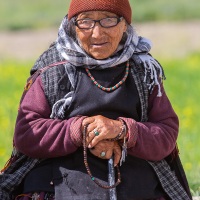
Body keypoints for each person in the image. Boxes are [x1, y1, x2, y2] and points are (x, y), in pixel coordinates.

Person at [0, 0, 192, 199]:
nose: (97, 33)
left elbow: (166, 134)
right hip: (60, 179)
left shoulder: (143, 70)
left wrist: (122, 131)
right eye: (86, 22)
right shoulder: (52, 70)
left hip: (134, 176)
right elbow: (27, 134)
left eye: (108, 20)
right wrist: (82, 130)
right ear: (72, 25)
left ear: (125, 24)